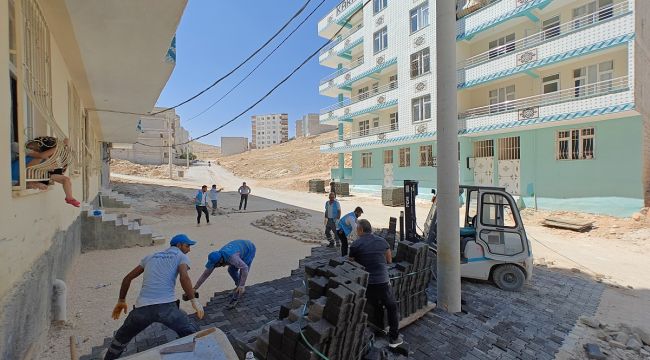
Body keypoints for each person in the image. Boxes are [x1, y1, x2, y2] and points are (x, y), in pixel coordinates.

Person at [104, 234, 204, 360]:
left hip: (142, 309)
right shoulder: (180, 256)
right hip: (166, 308)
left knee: (120, 339)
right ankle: (197, 354)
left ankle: (109, 358)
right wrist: (194, 300)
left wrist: (121, 300)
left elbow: (127, 278)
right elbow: (184, 278)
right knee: (192, 333)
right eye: (187, 246)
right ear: (178, 245)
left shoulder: (150, 256)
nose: (189, 249)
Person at [348, 219, 403, 348]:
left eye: (357, 229)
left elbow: (351, 263)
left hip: (366, 284)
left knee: (375, 304)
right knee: (392, 307)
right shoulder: (382, 242)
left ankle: (378, 327)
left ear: (361, 230)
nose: (356, 231)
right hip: (382, 282)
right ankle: (394, 339)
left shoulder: (355, 245)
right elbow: (389, 261)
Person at [11, 137, 80, 207]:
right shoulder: (32, 154)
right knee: (42, 162)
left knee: (66, 179)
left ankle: (70, 198)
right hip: (13, 177)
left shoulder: (44, 160)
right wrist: (61, 145)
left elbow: (46, 159)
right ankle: (32, 183)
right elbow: (42, 155)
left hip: (20, 179)